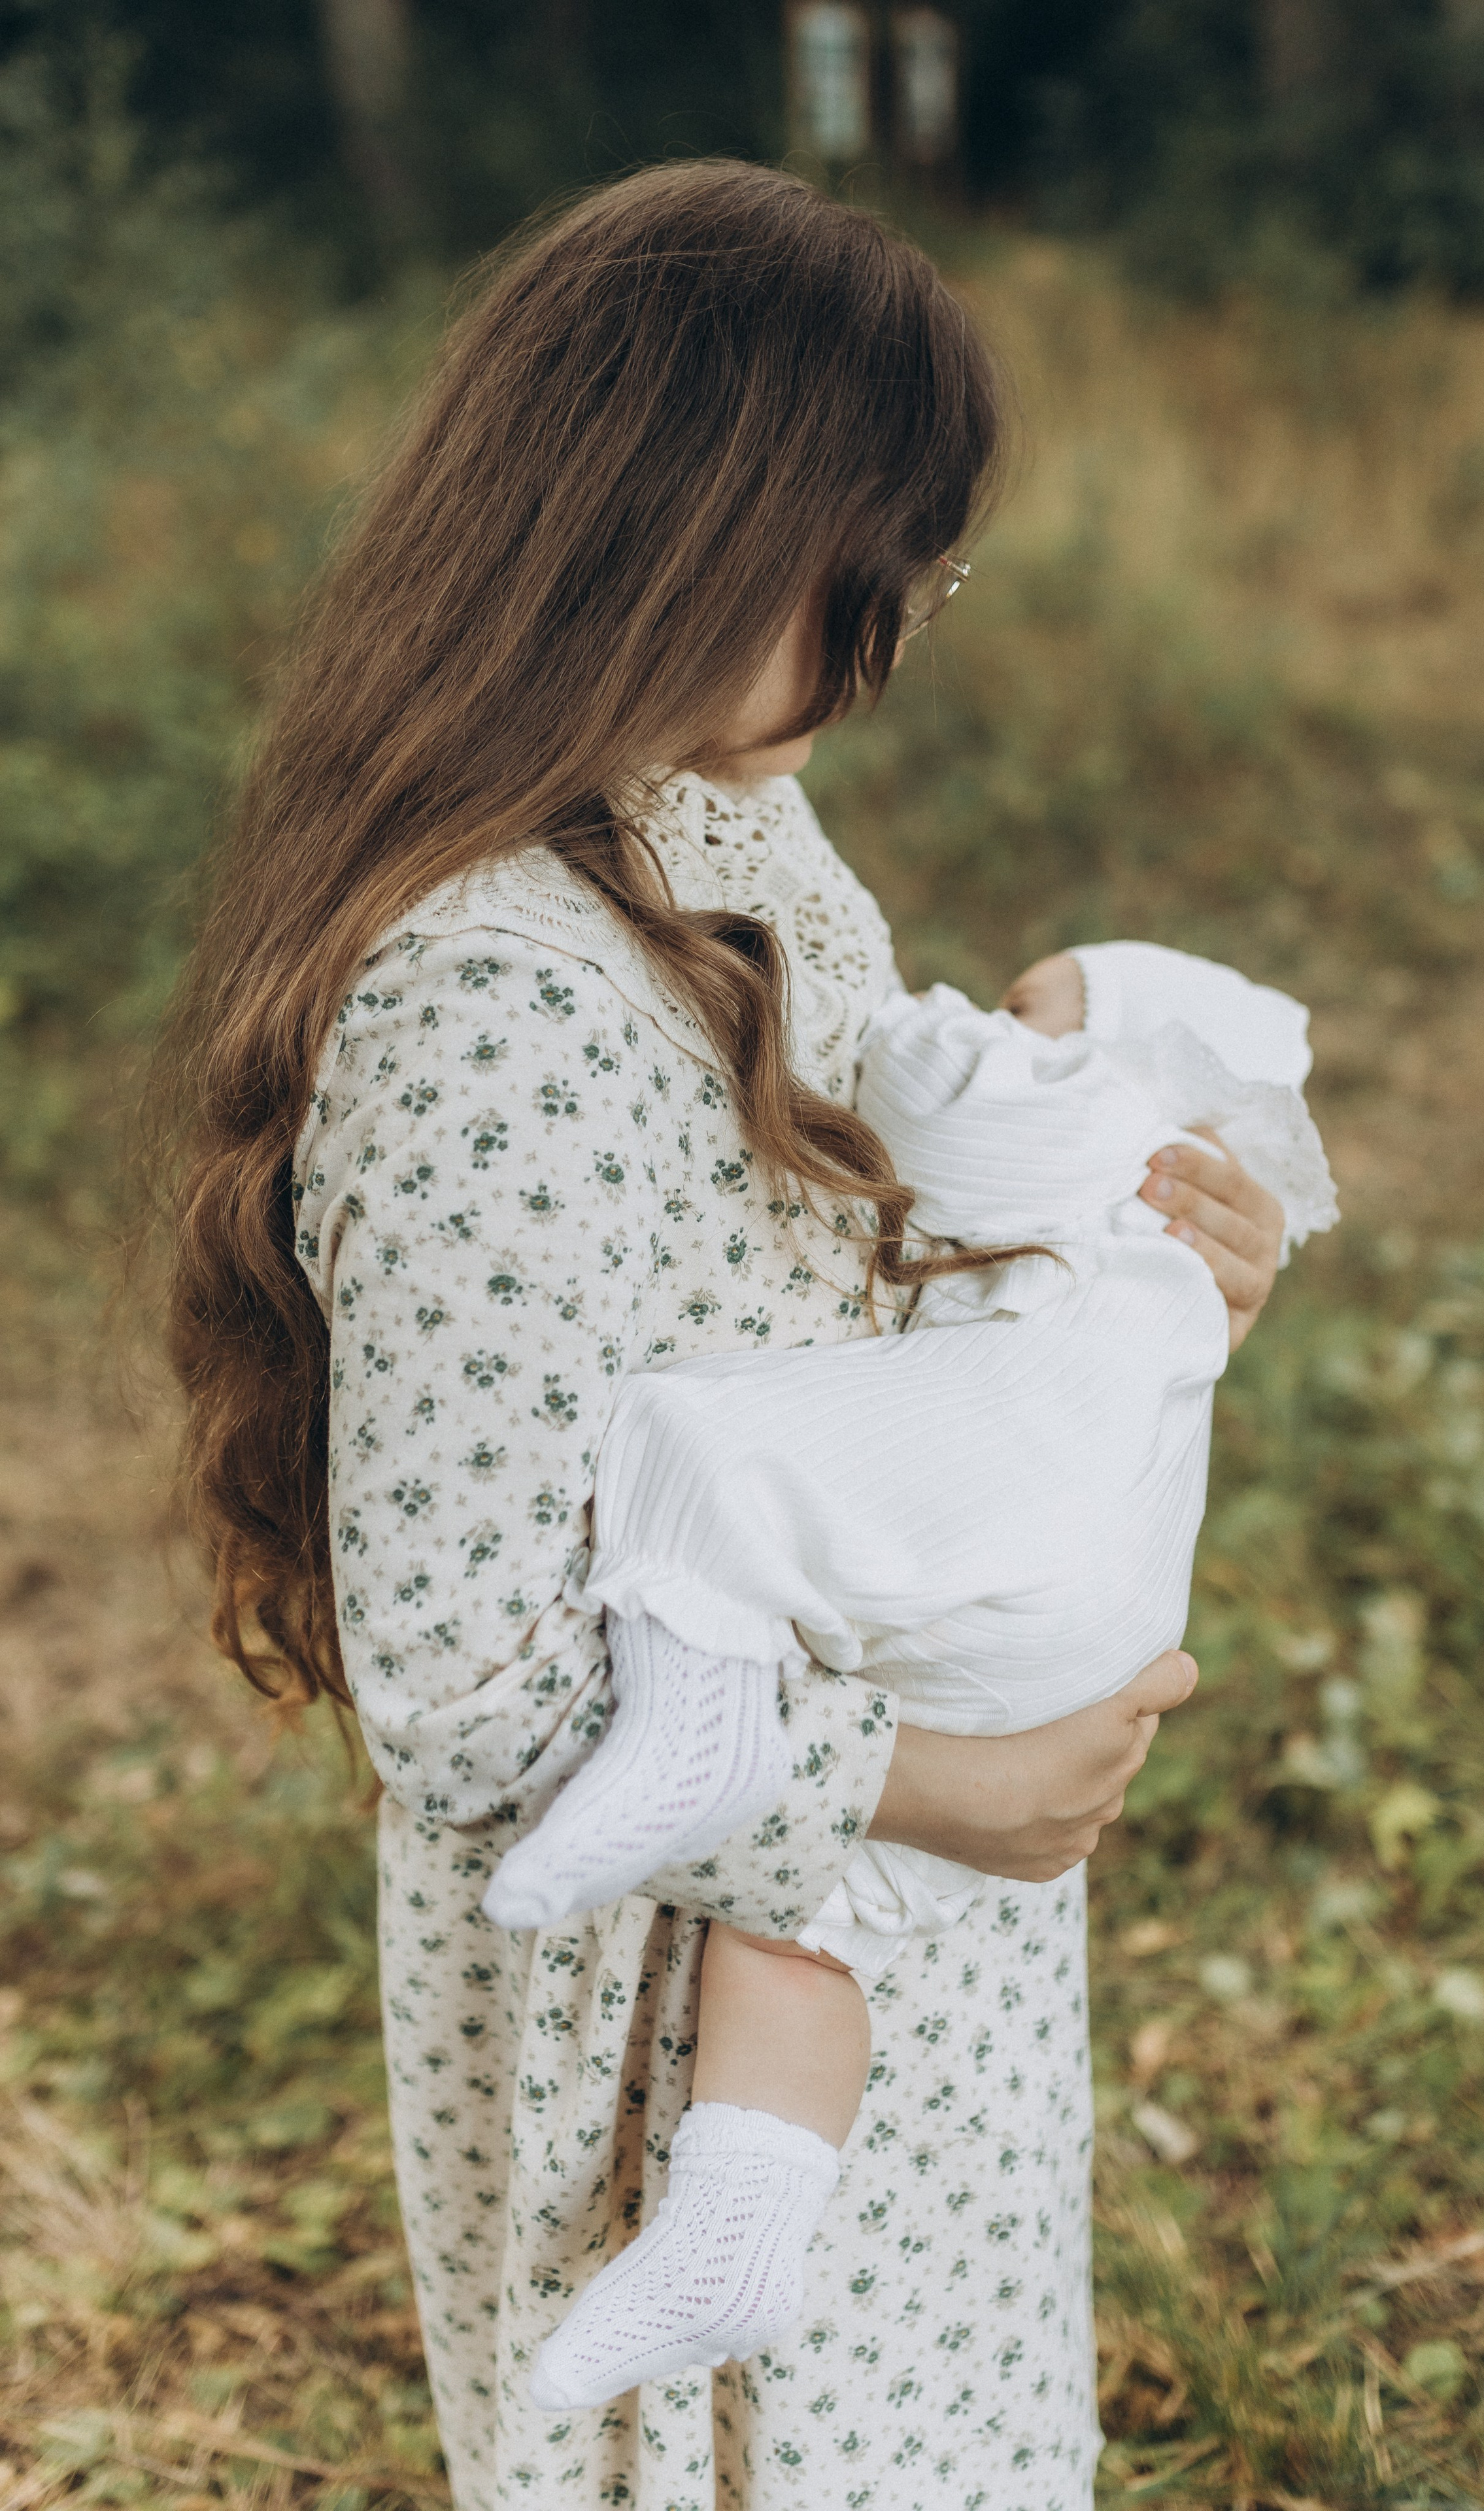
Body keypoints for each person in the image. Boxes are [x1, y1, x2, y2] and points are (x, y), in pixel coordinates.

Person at [158, 160, 1282, 2511]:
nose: (899, 633)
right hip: (667, 2000)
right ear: (675, 527)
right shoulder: (484, 1001)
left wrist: (1115, 1286)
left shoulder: (726, 846)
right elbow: (471, 1680)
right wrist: (929, 1788)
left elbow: (831, 1278)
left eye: (928, 579)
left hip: (880, 1951)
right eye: (878, 570)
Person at [479, 938, 1336, 2409]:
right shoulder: (1127, 1206)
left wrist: (929, 1034)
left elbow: (933, 1097)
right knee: (814, 1934)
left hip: (1023, 1535)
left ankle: (700, 1731)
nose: (979, 1010)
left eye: (1027, 1007)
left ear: (1128, 1051)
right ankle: (736, 2231)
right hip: (1078, 1610)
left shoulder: (1080, 1108)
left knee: (692, 1448)